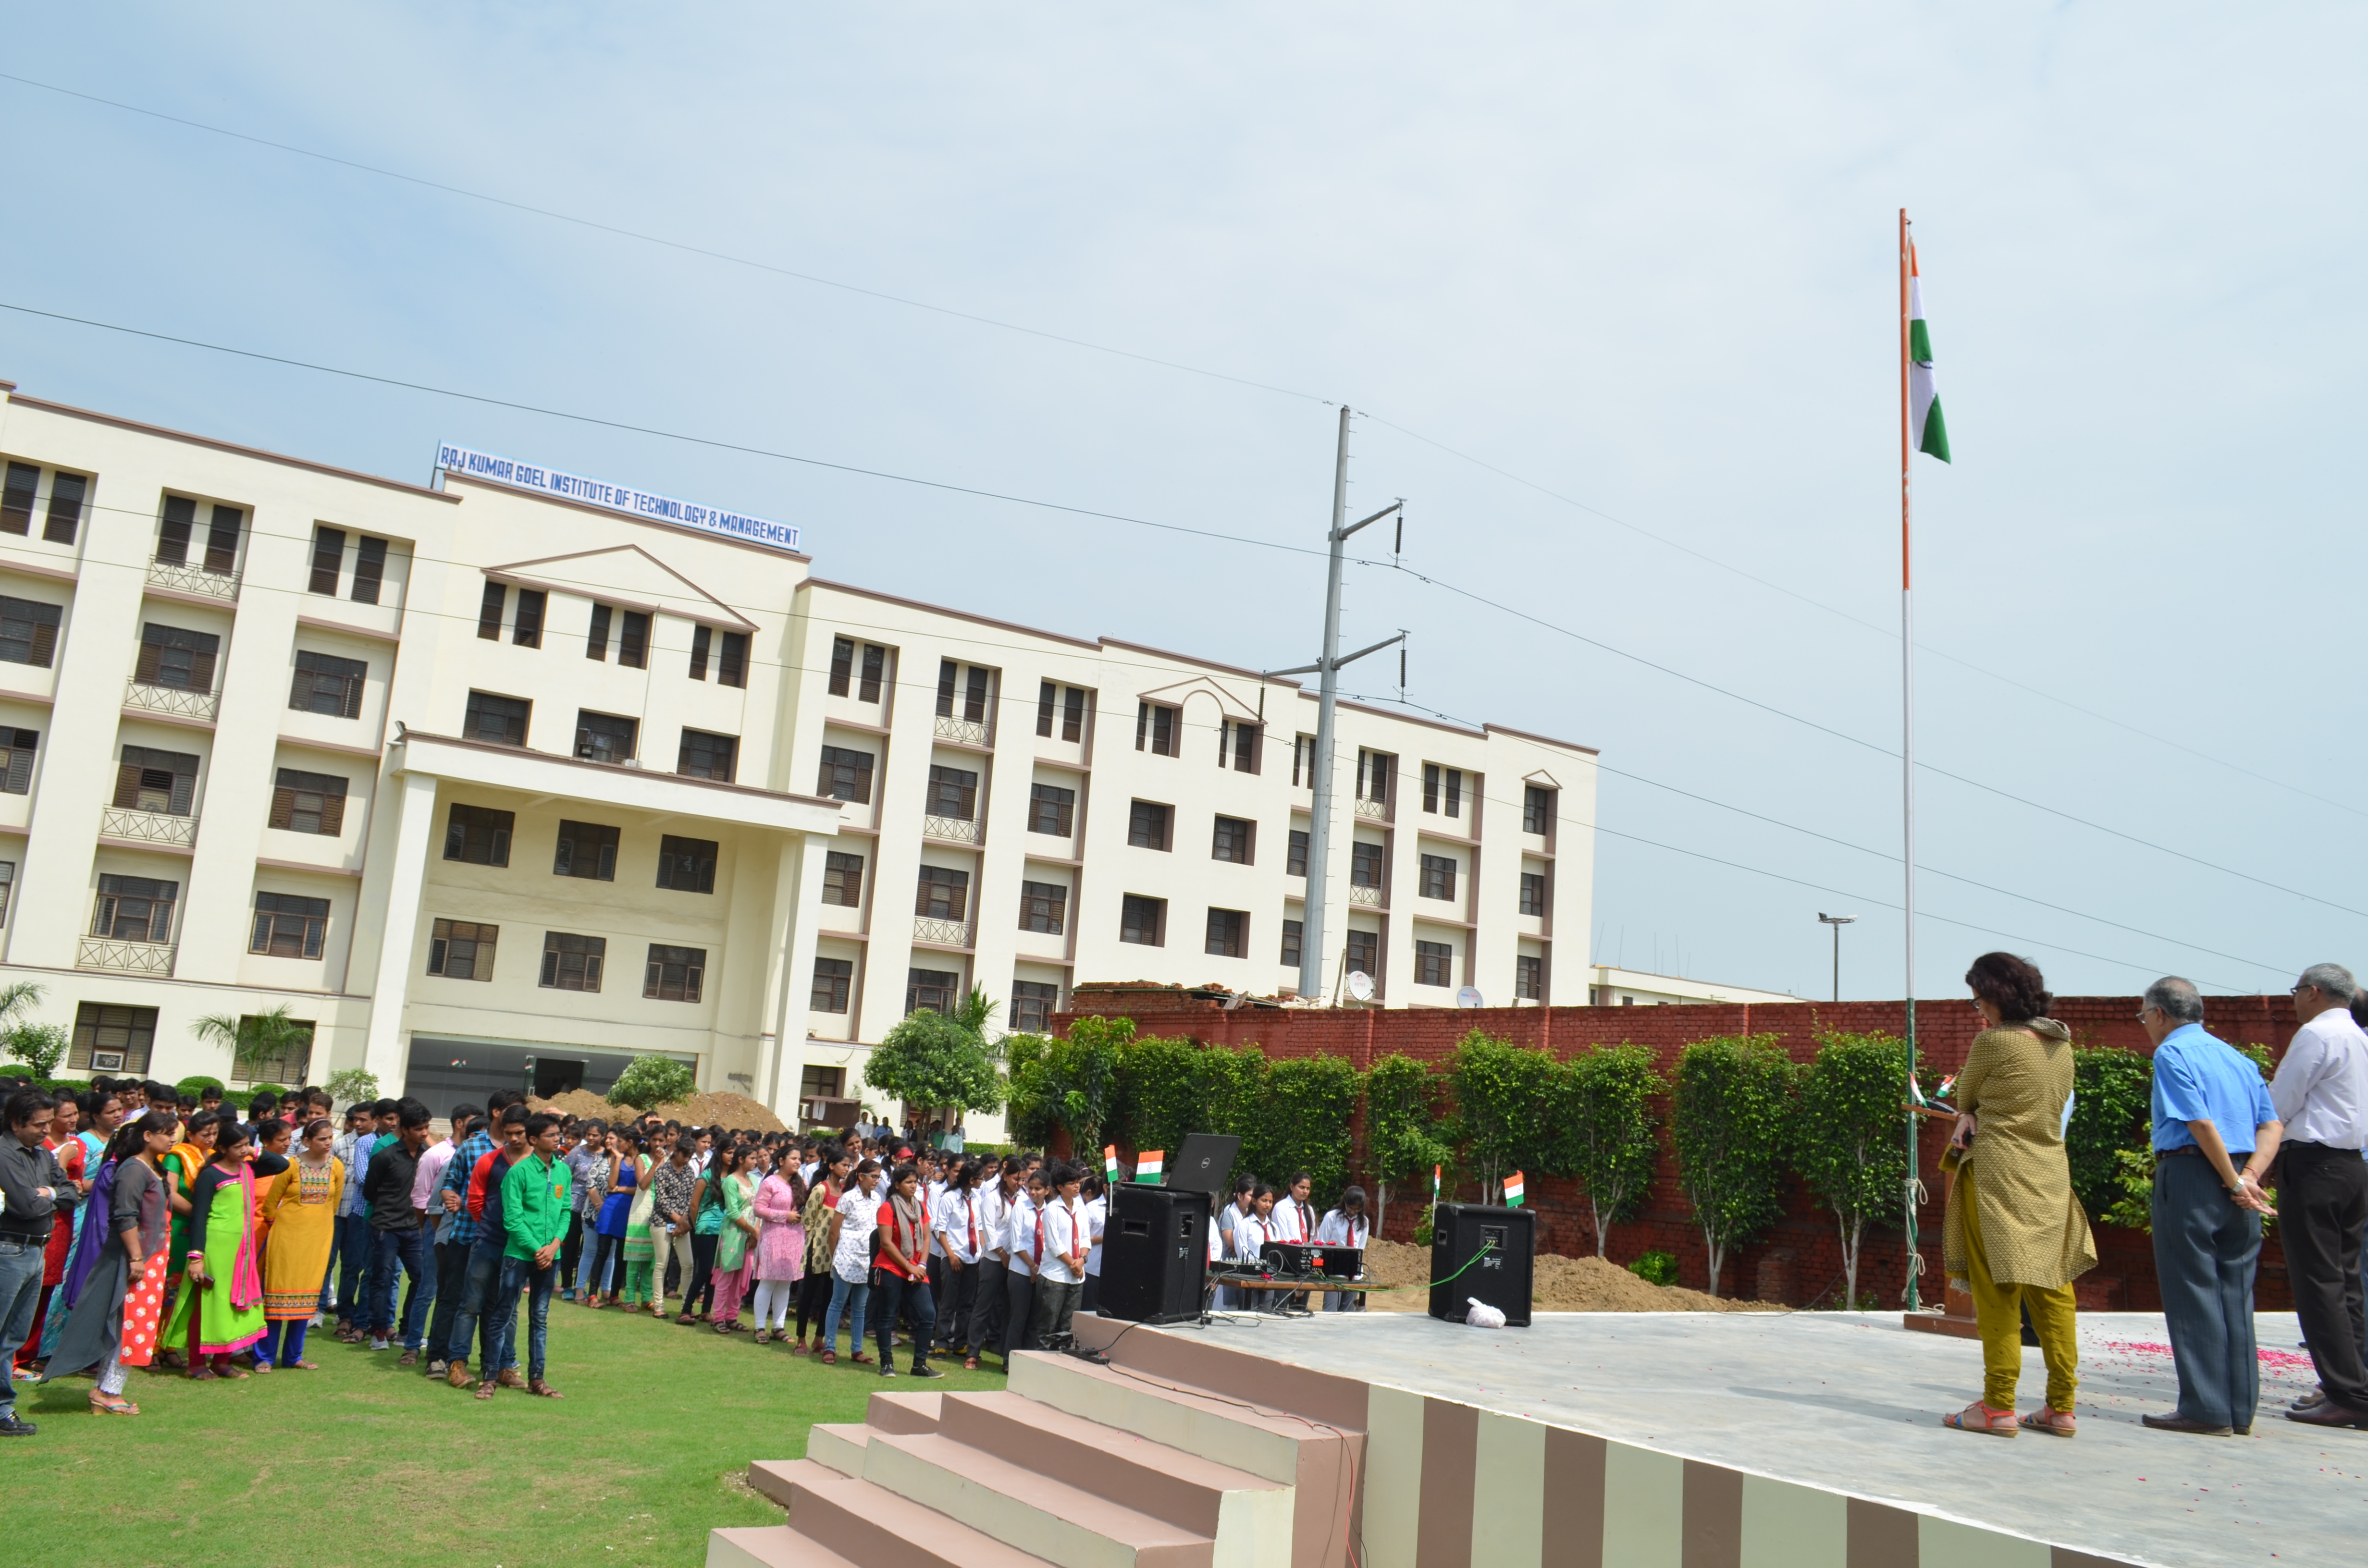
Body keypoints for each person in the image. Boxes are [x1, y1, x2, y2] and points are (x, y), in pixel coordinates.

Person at [1936, 954, 2097, 1437]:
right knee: (2054, 1291)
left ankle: (1997, 1406)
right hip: (2049, 1176)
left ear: (1995, 997)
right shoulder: (2061, 1045)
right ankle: (2061, 1408)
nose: (1978, 1011)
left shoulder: (1993, 1042)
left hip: (1997, 1177)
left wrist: (1969, 1114)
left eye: (1978, 1001)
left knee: (1997, 1289)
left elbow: (1965, 1096)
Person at [2139, 975, 2282, 1436]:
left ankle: (2205, 1408)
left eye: (2144, 1016)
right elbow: (2272, 1125)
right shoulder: (2237, 1058)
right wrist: (2249, 1177)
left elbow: (2198, 1123)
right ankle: (2239, 1409)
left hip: (2192, 1174)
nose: (2146, 1025)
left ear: (2160, 1014)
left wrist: (2233, 1180)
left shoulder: (2172, 1054)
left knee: (2192, 1288)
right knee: (2235, 1291)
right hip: (2240, 1176)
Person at [2269, 964, 2368, 1430]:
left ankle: (2345, 1392)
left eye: (2295, 991)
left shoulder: (2316, 1035)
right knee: (2346, 1281)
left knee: (2318, 1283)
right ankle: (2354, 1385)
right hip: (2351, 1166)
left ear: (2313, 992)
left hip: (2314, 1164)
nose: (2293, 1000)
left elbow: (2279, 1103)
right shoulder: (2360, 1038)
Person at [45, 1110, 177, 1413]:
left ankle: (107, 1389)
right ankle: (107, 1391)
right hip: (135, 1257)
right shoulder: (133, 1169)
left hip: (152, 1257)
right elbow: (124, 1215)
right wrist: (136, 1257)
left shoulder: (153, 1168)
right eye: (168, 1133)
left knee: (132, 1324)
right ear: (147, 1136)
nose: (173, 1139)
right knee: (128, 1324)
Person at [161, 1121, 268, 1378]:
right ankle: (197, 1365)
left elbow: (279, 1164)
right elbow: (199, 1217)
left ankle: (222, 1363)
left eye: (246, 1145)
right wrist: (197, 1257)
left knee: (232, 1305)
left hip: (241, 1251)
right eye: (238, 1146)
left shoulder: (247, 1168)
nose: (244, 1150)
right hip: (214, 1248)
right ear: (222, 1149)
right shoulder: (210, 1175)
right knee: (206, 1307)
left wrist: (253, 1151)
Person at [444, 1105, 530, 1390]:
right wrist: (493, 1228)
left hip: (519, 1248)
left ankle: (504, 1366)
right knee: (471, 1304)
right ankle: (457, 1363)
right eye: (509, 1133)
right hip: (488, 1243)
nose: (514, 1139)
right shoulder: (489, 1160)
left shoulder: (540, 1165)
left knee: (509, 1309)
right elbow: (475, 1200)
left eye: (519, 1133)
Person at [0, 1089, 67, 1434]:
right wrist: (49, 1196)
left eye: (49, 1122)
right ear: (16, 1123)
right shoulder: (4, 1153)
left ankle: (2, 1409)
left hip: (36, 1249)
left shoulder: (42, 1155)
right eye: (39, 1124)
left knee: (13, 1336)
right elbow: (25, 1206)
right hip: (9, 1249)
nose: (46, 1130)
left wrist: (49, 1193)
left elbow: (71, 1192)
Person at [493, 1112, 571, 1400]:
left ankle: (537, 1379)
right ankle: (490, 1376)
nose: (557, 1139)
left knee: (540, 1317)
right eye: (551, 1135)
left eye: (558, 1134)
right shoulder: (518, 1173)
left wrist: (554, 1246)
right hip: (520, 1256)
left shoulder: (563, 1171)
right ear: (534, 1140)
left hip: (550, 1256)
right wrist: (539, 1249)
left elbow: (565, 1212)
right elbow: (513, 1219)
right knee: (504, 1314)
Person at [257, 1117, 344, 1370]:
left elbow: (333, 1205)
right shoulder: (290, 1166)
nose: (328, 1143)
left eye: (330, 1138)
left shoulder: (336, 1167)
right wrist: (286, 1226)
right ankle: (265, 1357)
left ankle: (294, 1357)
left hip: (317, 1241)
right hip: (286, 1240)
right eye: (322, 1139)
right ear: (306, 1141)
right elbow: (270, 1206)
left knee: (307, 1299)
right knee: (276, 1299)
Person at [424, 1113, 494, 1377]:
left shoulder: (516, 1155)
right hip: (461, 1236)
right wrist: (441, 1238)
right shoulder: (468, 1151)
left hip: (494, 1240)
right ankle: (438, 1356)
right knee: (452, 1298)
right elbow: (439, 1199)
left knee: (489, 1303)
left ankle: (493, 1362)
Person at [365, 1099, 432, 1358]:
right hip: (386, 1227)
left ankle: (407, 1331)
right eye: (419, 1129)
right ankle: (379, 1330)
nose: (424, 1133)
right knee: (382, 1279)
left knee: (422, 1277)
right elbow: (370, 1191)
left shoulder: (428, 1156)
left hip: (415, 1228)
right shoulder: (385, 1156)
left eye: (426, 1128)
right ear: (405, 1130)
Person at [873, 1163, 941, 1377]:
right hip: (891, 1267)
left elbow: (927, 1237)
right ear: (897, 1185)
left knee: (928, 1315)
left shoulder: (920, 1207)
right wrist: (909, 1266)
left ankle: (919, 1365)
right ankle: (887, 1363)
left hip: (916, 1268)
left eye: (915, 1182)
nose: (913, 1186)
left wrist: (921, 1265)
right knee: (887, 1316)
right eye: (908, 1182)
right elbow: (886, 1243)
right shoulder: (887, 1208)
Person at [817, 1158, 883, 1365]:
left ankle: (857, 1349)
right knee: (837, 1303)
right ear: (861, 1177)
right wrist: (835, 1256)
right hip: (846, 1256)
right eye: (874, 1177)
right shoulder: (848, 1198)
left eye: (879, 1178)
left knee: (860, 1307)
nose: (877, 1181)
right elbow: (834, 1231)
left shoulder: (877, 1199)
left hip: (866, 1258)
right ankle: (830, 1347)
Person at [793, 1151, 851, 1352]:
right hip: (817, 1250)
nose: (847, 1169)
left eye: (849, 1166)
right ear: (832, 1165)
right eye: (844, 1165)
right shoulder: (820, 1190)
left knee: (829, 1297)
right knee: (808, 1295)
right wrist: (815, 1241)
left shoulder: (844, 1193)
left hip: (835, 1251)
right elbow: (807, 1220)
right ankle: (801, 1339)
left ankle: (819, 1338)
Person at [1029, 1162, 1088, 1350]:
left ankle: (1060, 1360)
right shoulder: (1052, 1209)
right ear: (1060, 1187)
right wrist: (1074, 1264)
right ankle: (1041, 1361)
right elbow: (1054, 1245)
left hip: (1076, 1277)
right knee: (1048, 1326)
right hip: (1055, 1276)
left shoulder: (1081, 1208)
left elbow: (1086, 1239)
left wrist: (1082, 1261)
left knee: (1068, 1327)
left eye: (1078, 1182)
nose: (1077, 1186)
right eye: (1072, 1183)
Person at [750, 1156, 805, 1344]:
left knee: (785, 1284)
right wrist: (784, 1215)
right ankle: (759, 1327)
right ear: (781, 1161)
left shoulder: (801, 1183)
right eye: (793, 1158)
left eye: (800, 1159)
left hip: (795, 1237)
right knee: (767, 1282)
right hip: (773, 1236)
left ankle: (778, 1327)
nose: (798, 1162)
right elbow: (758, 1209)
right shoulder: (770, 1182)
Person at [935, 1161, 984, 1362]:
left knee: (966, 1304)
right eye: (980, 1178)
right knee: (948, 1302)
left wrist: (981, 1253)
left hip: (972, 1258)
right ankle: (941, 1343)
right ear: (971, 1180)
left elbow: (979, 1227)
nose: (982, 1182)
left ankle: (960, 1343)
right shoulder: (949, 1198)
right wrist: (951, 1255)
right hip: (954, 1257)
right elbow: (940, 1230)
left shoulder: (977, 1198)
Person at [709, 1145, 758, 1333]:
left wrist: (755, 1232)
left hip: (750, 1234)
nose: (755, 1162)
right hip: (733, 1233)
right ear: (741, 1160)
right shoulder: (730, 1181)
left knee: (741, 1278)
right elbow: (733, 1211)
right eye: (752, 1158)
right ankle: (718, 1318)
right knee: (727, 1276)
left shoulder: (754, 1180)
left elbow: (758, 1208)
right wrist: (753, 1231)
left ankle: (732, 1316)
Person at [650, 1135, 699, 1318]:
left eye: (690, 1157)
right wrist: (680, 1220)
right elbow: (662, 1200)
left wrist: (684, 1220)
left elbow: (691, 1198)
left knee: (688, 1264)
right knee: (661, 1264)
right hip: (661, 1222)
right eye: (684, 1155)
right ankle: (659, 1306)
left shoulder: (689, 1172)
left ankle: (687, 1305)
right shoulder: (662, 1171)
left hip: (682, 1223)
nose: (686, 1160)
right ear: (676, 1151)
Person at [1316, 1186, 1371, 1311]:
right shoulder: (1332, 1217)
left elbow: (1360, 1249)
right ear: (1345, 1202)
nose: (1353, 1212)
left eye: (1357, 1210)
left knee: (1348, 1313)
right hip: (1334, 1274)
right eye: (1350, 1208)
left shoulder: (1364, 1222)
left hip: (1353, 1275)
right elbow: (1322, 1244)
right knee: (1331, 1311)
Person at [1078, 1173, 1108, 1317]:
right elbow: (1082, 1238)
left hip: (1110, 1272)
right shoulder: (1092, 1208)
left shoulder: (1125, 1208)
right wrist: (1106, 1238)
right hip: (1092, 1269)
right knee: (1088, 1313)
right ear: (1106, 1188)